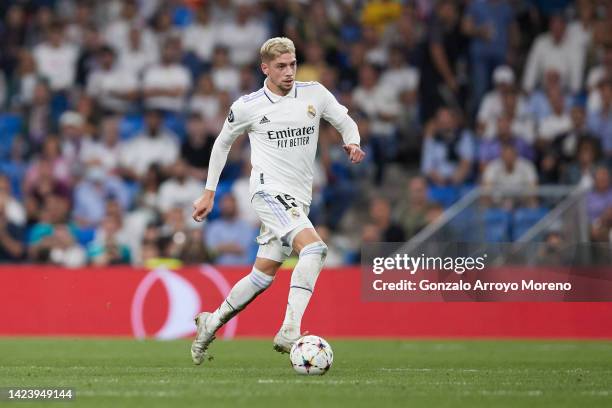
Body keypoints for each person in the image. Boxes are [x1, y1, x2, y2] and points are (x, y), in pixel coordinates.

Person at [190, 37, 365, 365]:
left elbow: (344, 120)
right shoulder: (248, 105)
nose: (288, 72)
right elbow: (222, 143)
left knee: (263, 275)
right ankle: (289, 329)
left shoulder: (314, 93)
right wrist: (209, 192)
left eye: (293, 64)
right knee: (314, 249)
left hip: (298, 199)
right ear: (265, 68)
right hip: (268, 193)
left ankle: (209, 323)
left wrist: (352, 142)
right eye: (281, 66)